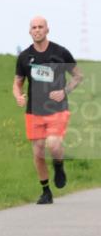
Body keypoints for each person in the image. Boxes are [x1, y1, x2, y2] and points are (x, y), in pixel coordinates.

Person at [13, 16, 83, 204]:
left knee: (53, 144)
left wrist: (65, 91)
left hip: (57, 109)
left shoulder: (60, 53)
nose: (37, 30)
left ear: (47, 30)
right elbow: (17, 83)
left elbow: (78, 76)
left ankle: (59, 166)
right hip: (33, 111)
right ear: (30, 31)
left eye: (40, 27)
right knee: (37, 152)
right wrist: (18, 96)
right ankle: (46, 191)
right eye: (34, 27)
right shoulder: (24, 57)